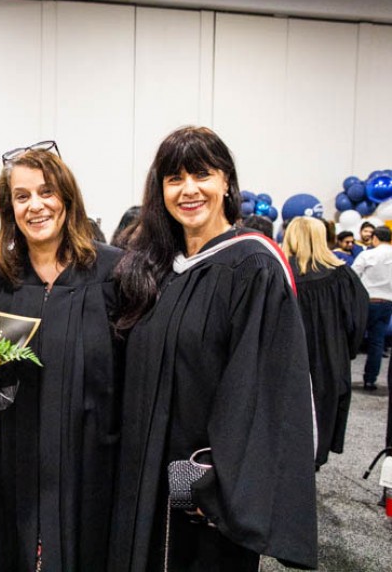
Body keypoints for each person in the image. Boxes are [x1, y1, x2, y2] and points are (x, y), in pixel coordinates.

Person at [109, 126, 317, 572]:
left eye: (201, 174)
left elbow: (263, 390)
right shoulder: (155, 269)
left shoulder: (253, 266)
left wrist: (218, 485)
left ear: (226, 181)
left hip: (203, 495)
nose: (188, 190)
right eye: (173, 178)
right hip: (142, 483)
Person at [0, 142, 122, 571]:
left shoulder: (116, 273)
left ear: (67, 198)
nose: (35, 205)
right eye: (21, 196)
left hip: (95, 454)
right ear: (9, 209)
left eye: (46, 192)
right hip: (16, 453)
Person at [283, 217, 368, 467]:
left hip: (290, 360)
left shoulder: (279, 273)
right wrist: (346, 351)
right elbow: (358, 319)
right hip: (330, 359)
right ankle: (315, 460)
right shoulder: (342, 275)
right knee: (323, 412)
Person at [352, 225, 392, 390]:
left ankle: (344, 375)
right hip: (387, 302)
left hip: (367, 301)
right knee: (377, 342)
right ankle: (370, 379)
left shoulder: (367, 254)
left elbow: (353, 275)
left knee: (353, 337)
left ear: (375, 238)